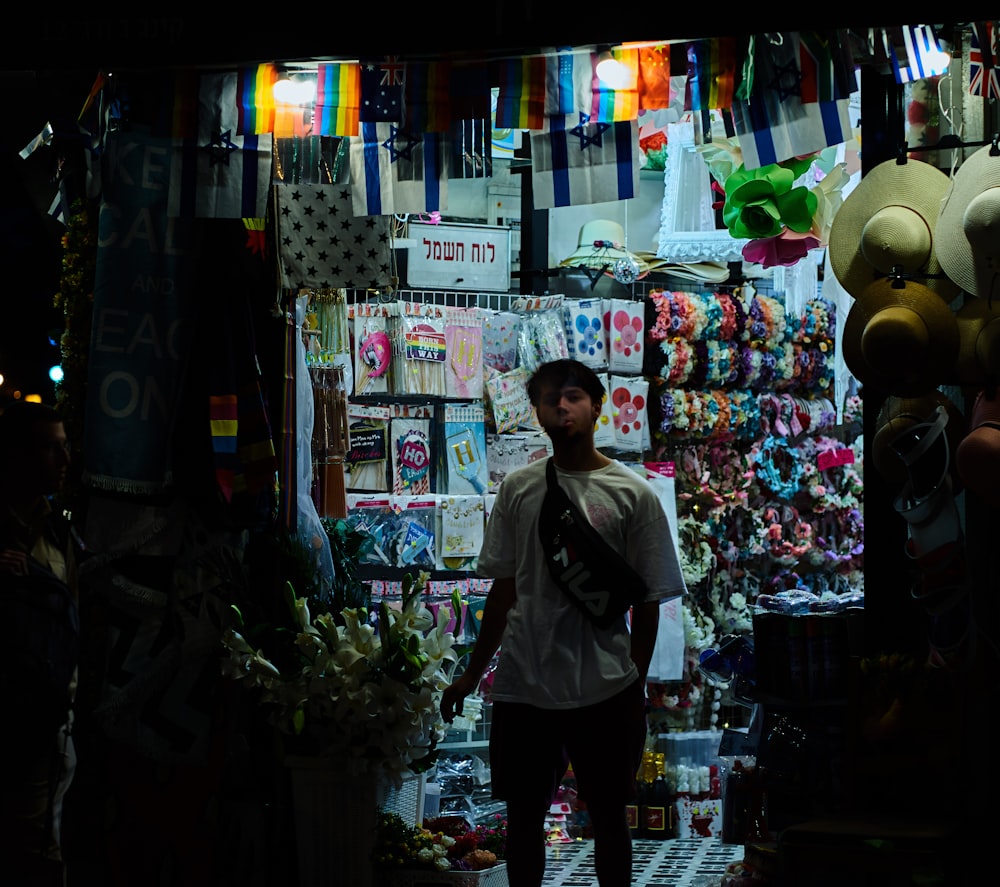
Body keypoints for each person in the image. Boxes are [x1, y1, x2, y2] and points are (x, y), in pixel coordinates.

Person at [441, 359, 686, 887]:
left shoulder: (633, 494)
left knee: (608, 821)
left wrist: (633, 680)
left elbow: (648, 602)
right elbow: (501, 593)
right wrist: (470, 674)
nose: (561, 406)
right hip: (525, 684)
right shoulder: (519, 490)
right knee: (524, 824)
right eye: (550, 398)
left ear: (597, 405)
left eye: (573, 395)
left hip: (604, 686)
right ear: (536, 412)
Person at [0, 401, 79, 886]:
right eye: (52, 450)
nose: (65, 460)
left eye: (65, 446)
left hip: (51, 720)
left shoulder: (57, 530)